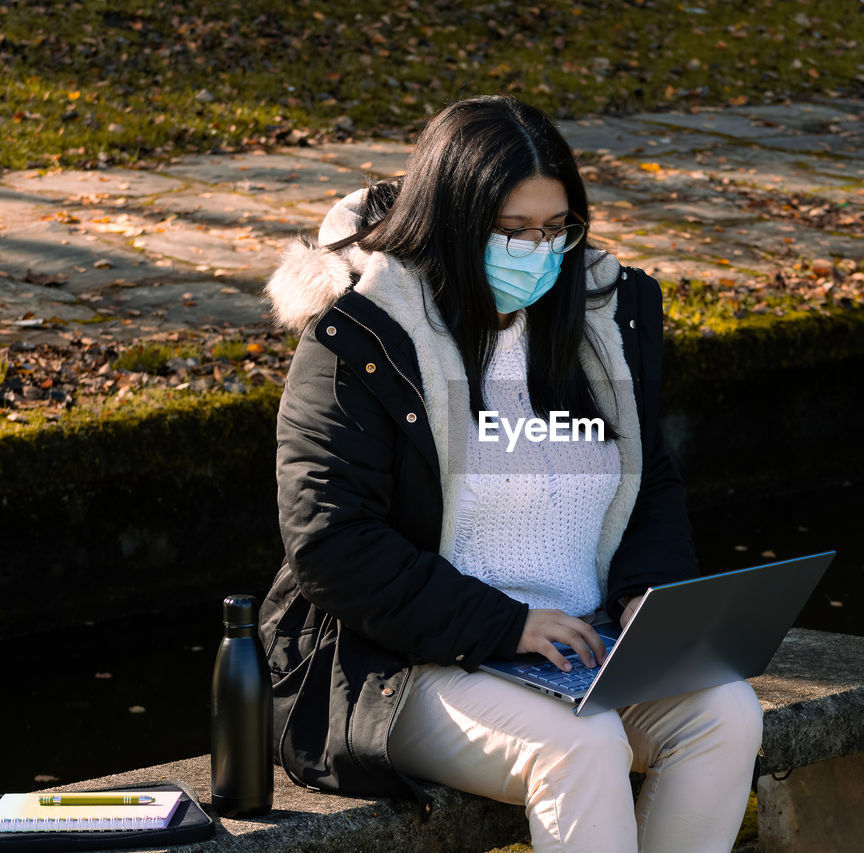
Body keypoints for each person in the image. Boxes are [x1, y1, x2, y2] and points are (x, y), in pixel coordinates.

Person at [258, 95, 763, 853]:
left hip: (578, 651)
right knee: (581, 747)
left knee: (726, 711)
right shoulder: (362, 339)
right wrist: (506, 624)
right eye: (514, 231)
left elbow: (647, 480)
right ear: (453, 222)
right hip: (402, 664)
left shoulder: (596, 324)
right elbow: (332, 544)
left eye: (557, 229)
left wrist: (644, 599)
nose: (540, 252)